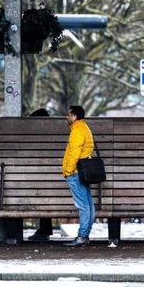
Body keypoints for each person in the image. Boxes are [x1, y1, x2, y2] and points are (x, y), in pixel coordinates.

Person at [62, 105, 95, 247]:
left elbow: (74, 153)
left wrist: (68, 171)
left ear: (74, 116)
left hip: (75, 173)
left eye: (69, 115)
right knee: (88, 205)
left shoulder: (77, 131)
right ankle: (85, 235)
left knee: (83, 206)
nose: (67, 117)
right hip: (82, 172)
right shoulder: (85, 128)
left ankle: (82, 236)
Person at [27, 108, 55, 241]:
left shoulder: (34, 140)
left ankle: (44, 229)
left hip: (41, 185)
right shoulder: (57, 137)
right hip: (61, 183)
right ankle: (45, 229)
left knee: (40, 189)